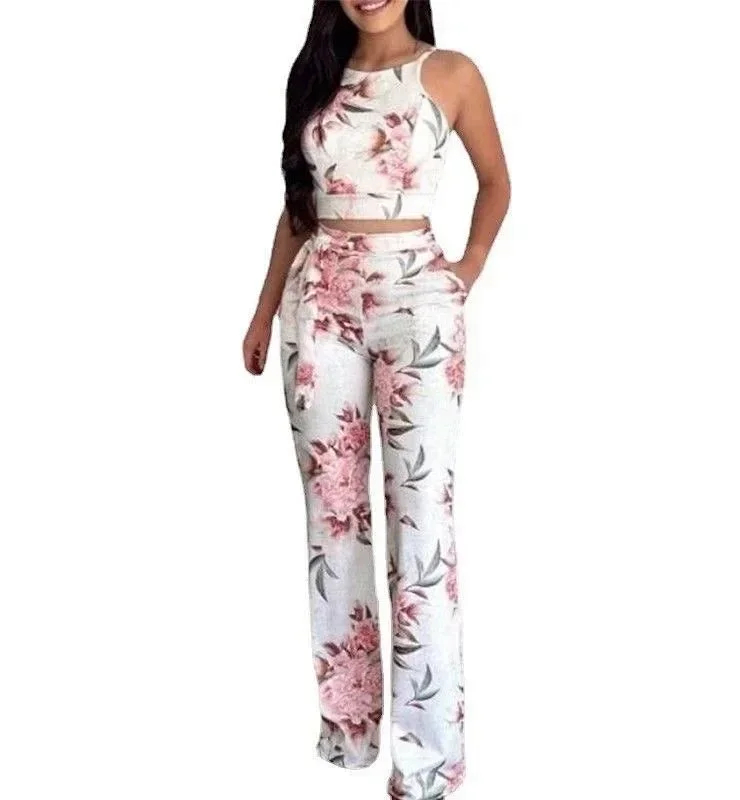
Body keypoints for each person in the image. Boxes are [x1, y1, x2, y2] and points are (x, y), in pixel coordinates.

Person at [243, 2, 509, 797]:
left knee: (421, 520)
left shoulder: (450, 73)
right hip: (318, 301)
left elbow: (497, 181)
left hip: (415, 301)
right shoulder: (316, 75)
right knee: (333, 517)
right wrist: (262, 311)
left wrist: (468, 267)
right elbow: (298, 207)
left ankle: (427, 765)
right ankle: (349, 732)